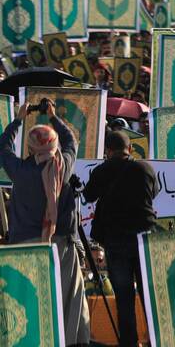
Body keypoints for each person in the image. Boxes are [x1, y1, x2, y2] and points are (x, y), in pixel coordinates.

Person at [0, 99, 90, 345]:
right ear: (54, 145)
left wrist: (18, 120)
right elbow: (72, 141)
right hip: (61, 245)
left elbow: (3, 148)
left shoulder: (21, 171)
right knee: (67, 299)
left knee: (33, 298)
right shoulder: (64, 166)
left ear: (29, 149)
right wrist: (52, 117)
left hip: (27, 246)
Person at [82, 129, 158, 347]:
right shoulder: (145, 168)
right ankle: (157, 339)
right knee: (149, 296)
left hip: (117, 243)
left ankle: (129, 343)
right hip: (145, 241)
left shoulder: (101, 171)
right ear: (130, 149)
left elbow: (87, 196)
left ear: (108, 151)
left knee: (124, 299)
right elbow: (154, 193)